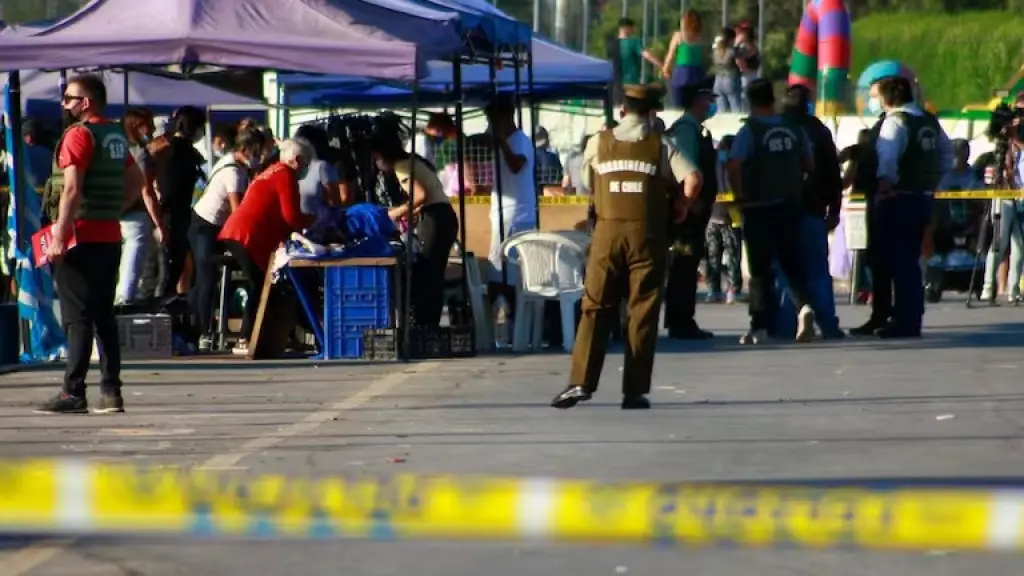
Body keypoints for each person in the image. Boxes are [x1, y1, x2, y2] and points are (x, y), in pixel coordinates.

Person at [551, 84, 699, 411]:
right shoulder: (661, 144)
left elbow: (586, 183)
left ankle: (580, 382)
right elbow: (693, 180)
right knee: (642, 312)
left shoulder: (598, 143)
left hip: (607, 234)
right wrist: (680, 208)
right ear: (652, 112)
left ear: (622, 111)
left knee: (595, 307)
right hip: (648, 235)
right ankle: (633, 391)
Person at [36, 74, 144, 414]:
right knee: (103, 316)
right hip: (108, 236)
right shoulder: (114, 134)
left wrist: (59, 236)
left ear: (86, 103)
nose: (64, 104)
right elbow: (137, 181)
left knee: (77, 316)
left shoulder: (78, 135)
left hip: (79, 237)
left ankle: (73, 392)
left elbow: (70, 190)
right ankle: (111, 392)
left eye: (69, 98)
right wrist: (111, 210)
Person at [726, 78, 817, 344]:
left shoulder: (749, 132)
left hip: (758, 207)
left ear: (750, 102)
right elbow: (809, 163)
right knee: (793, 263)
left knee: (760, 270)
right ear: (772, 99)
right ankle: (804, 306)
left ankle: (760, 326)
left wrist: (739, 195)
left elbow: (734, 165)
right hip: (790, 204)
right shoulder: (794, 129)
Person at [871, 75, 951, 337]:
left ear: (887, 97)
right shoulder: (929, 121)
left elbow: (888, 157)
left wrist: (885, 184)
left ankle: (904, 320)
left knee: (900, 260)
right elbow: (946, 155)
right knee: (911, 260)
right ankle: (911, 315)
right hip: (924, 196)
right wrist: (934, 180)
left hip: (899, 197)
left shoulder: (895, 122)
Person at [219, 139, 314, 355]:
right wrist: (315, 221)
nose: (307, 169)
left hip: (239, 232)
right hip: (246, 235)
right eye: (306, 163)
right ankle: (245, 338)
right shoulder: (285, 175)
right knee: (260, 285)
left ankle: (261, 336)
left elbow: (279, 215)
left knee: (264, 283)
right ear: (297, 160)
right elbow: (291, 216)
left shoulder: (272, 171)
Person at [189, 125, 266, 351]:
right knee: (206, 278)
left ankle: (200, 325)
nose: (259, 156)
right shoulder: (234, 172)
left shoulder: (229, 161)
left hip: (211, 224)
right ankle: (202, 331)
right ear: (244, 148)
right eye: (257, 150)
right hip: (205, 225)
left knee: (207, 277)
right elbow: (237, 211)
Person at [371, 132, 459, 328]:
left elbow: (421, 195)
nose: (376, 162)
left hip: (435, 219)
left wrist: (395, 213)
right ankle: (429, 325)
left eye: (376, 157)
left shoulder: (401, 167)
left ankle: (426, 326)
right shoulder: (413, 161)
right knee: (434, 275)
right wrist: (410, 211)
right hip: (444, 215)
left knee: (428, 274)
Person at [781, 85, 844, 338]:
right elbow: (832, 173)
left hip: (780, 210)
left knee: (784, 270)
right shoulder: (819, 131)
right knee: (818, 270)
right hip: (813, 208)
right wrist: (835, 209)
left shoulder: (776, 129)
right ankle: (828, 324)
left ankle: (786, 323)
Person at [663, 77, 718, 339]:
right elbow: (685, 173)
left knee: (688, 265)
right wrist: (687, 205)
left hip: (695, 211)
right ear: (698, 101)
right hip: (688, 213)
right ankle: (680, 320)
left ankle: (683, 317)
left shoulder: (695, 129)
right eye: (708, 99)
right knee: (684, 266)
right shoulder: (686, 130)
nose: (710, 105)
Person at [152, 105, 206, 297]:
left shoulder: (178, 149)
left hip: (176, 213)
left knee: (173, 266)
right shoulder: (178, 151)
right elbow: (169, 187)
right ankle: (162, 308)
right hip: (173, 214)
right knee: (169, 268)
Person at [484, 95, 536, 284]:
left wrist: (501, 141)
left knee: (502, 269)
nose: (491, 125)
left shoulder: (519, 140)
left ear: (505, 118)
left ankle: (505, 307)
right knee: (502, 268)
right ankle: (506, 306)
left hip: (514, 216)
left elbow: (516, 165)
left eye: (493, 121)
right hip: (505, 214)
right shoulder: (507, 141)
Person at [116, 107, 166, 305]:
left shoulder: (117, 149)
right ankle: (126, 306)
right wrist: (159, 224)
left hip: (115, 215)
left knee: (122, 265)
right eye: (149, 126)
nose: (152, 130)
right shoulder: (139, 154)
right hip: (135, 216)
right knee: (134, 267)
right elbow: (147, 191)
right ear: (136, 126)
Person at [705, 135, 742, 303]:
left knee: (718, 254)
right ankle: (729, 289)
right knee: (728, 253)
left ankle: (719, 290)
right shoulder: (730, 165)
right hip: (725, 214)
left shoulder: (717, 164)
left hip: (718, 214)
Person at [609, 17, 662, 103]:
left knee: (619, 108)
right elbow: (648, 55)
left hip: (616, 84)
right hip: (632, 84)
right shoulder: (634, 42)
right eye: (631, 28)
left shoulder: (611, 45)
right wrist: (662, 65)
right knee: (632, 107)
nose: (632, 30)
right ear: (627, 28)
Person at [293, 124, 343, 213]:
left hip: (321, 224)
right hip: (299, 224)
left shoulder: (322, 167)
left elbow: (334, 202)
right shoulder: (296, 167)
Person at [662, 10, 707, 108]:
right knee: (693, 102)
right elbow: (703, 57)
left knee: (678, 103)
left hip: (681, 72)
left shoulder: (679, 36)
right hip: (696, 72)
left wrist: (665, 69)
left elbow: (671, 54)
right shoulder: (700, 38)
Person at [711, 28, 742, 113]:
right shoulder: (732, 50)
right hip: (730, 78)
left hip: (718, 80)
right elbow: (740, 58)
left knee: (721, 109)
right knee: (736, 107)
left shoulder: (716, 50)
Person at [20, 119, 52, 193]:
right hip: (45, 194)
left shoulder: (20, 154)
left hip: (25, 196)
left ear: (28, 138)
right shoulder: (49, 153)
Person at [734, 22, 760, 109]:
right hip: (747, 75)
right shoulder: (746, 45)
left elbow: (741, 58)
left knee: (747, 98)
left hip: (749, 75)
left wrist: (736, 45)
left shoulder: (748, 46)